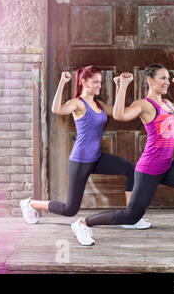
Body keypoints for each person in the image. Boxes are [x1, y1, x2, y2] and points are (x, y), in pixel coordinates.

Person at [71, 64, 174, 252]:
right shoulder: (144, 105)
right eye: (162, 78)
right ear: (149, 80)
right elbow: (120, 114)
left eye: (168, 79)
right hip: (149, 169)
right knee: (131, 216)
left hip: (166, 166)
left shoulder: (168, 104)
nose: (167, 82)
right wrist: (123, 85)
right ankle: (83, 223)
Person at [20, 65, 150, 230]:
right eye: (95, 82)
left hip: (96, 158)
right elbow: (56, 109)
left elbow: (119, 112)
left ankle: (131, 217)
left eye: (100, 82)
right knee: (70, 209)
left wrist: (120, 86)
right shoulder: (77, 104)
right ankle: (30, 204)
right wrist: (62, 82)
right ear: (83, 82)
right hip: (80, 161)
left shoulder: (98, 104)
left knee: (131, 169)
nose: (99, 85)